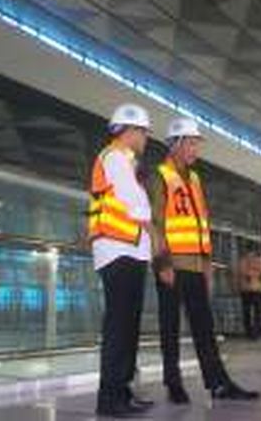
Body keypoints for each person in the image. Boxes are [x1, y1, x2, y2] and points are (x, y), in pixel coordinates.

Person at [149, 117, 259, 404]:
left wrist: (208, 262)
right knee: (170, 326)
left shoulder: (195, 179)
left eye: (197, 143)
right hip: (172, 264)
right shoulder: (160, 175)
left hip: (196, 266)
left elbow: (201, 223)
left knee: (204, 327)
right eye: (192, 143)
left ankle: (219, 383)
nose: (196, 149)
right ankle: (173, 383)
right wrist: (162, 262)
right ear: (176, 144)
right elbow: (155, 223)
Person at [88, 103, 156, 417]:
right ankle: (109, 398)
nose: (146, 138)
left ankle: (122, 391)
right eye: (143, 132)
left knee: (128, 326)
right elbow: (133, 201)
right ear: (128, 131)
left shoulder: (125, 160)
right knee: (119, 327)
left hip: (129, 251)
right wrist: (155, 233)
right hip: (117, 251)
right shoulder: (114, 156)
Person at [238, 251, 261, 340]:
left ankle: (254, 332)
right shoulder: (245, 262)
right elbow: (243, 273)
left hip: (254, 289)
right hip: (249, 289)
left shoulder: (257, 261)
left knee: (255, 312)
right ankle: (252, 332)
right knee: (250, 312)